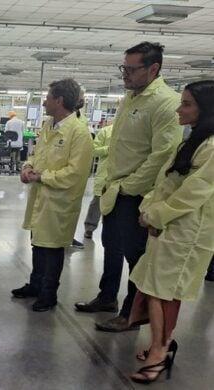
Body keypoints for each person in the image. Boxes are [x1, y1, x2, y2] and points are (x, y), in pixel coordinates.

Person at [74, 42, 183, 332]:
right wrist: (113, 184)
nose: (126, 75)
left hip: (135, 194)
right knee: (110, 245)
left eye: (132, 69)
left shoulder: (165, 102)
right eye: (124, 68)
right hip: (115, 188)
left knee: (136, 255)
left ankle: (130, 313)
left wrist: (129, 187)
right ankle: (107, 297)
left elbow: (162, 155)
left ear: (153, 69)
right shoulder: (130, 98)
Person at [127, 80, 214, 383]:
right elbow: (166, 181)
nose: (180, 109)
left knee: (162, 292)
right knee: (153, 286)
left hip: (186, 233)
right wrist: (148, 209)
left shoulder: (213, 147)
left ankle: (160, 353)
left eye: (187, 104)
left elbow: (193, 193)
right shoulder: (191, 141)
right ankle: (158, 343)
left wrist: (157, 215)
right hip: (166, 227)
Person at [11, 78, 93, 312]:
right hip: (41, 198)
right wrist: (27, 168)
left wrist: (42, 177)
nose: (44, 102)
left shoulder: (79, 133)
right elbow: (36, 155)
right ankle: (35, 285)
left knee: (53, 248)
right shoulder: (48, 126)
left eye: (47, 98)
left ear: (59, 100)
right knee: (38, 243)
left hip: (59, 202)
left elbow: (75, 174)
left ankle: (49, 294)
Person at [83, 122, 114, 239]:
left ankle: (111, 231)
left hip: (123, 175)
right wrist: (109, 149)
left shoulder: (132, 133)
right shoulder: (106, 131)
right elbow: (94, 150)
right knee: (97, 203)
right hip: (105, 174)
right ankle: (90, 228)